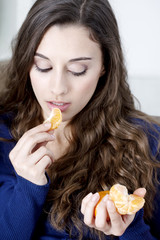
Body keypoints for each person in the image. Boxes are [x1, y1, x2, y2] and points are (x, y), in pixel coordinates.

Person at [0, 0, 160, 239]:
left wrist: (130, 229)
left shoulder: (148, 141)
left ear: (104, 66)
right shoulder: (4, 132)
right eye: (43, 66)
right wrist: (27, 186)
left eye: (77, 70)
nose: (58, 89)